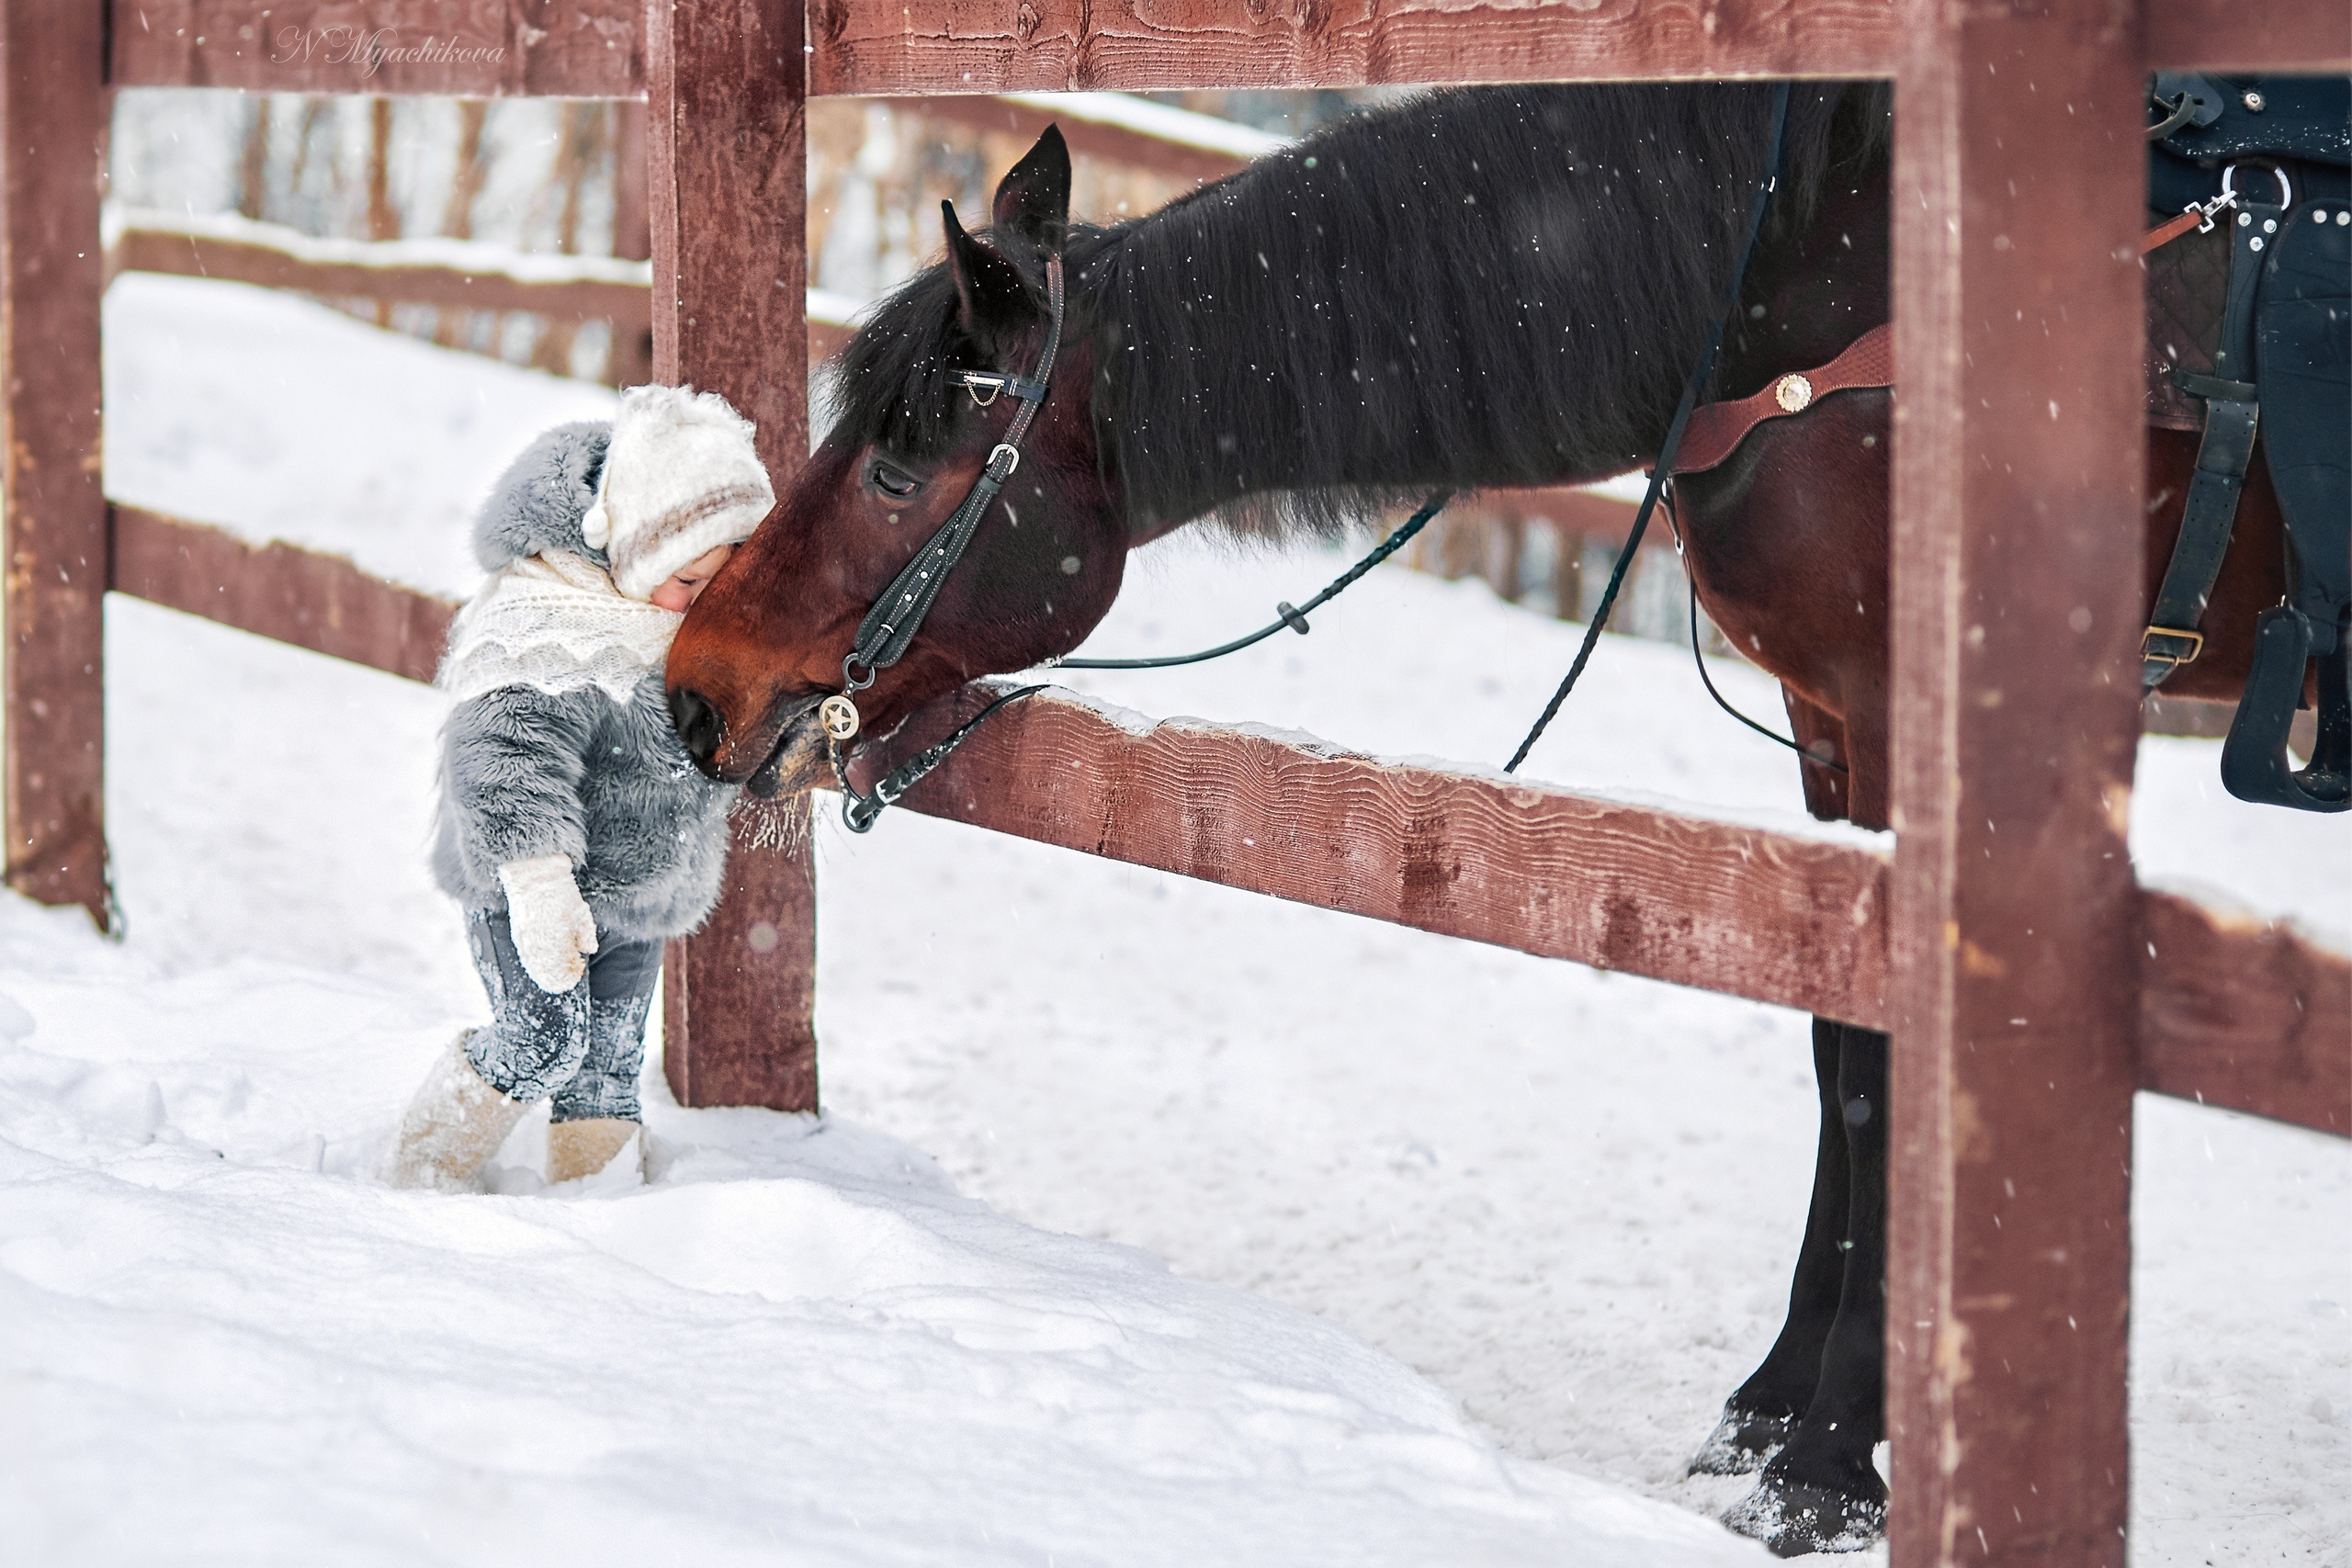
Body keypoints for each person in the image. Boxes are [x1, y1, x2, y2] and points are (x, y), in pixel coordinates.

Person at [382, 385, 774, 1192]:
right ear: (635, 551)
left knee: (606, 1071)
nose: (703, 606)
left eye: (723, 585)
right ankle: (427, 1163)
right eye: (690, 580)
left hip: (637, 888)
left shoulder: (676, 619)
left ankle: (598, 1209)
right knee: (544, 1041)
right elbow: (505, 756)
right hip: (533, 890)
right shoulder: (550, 617)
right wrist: (537, 883)